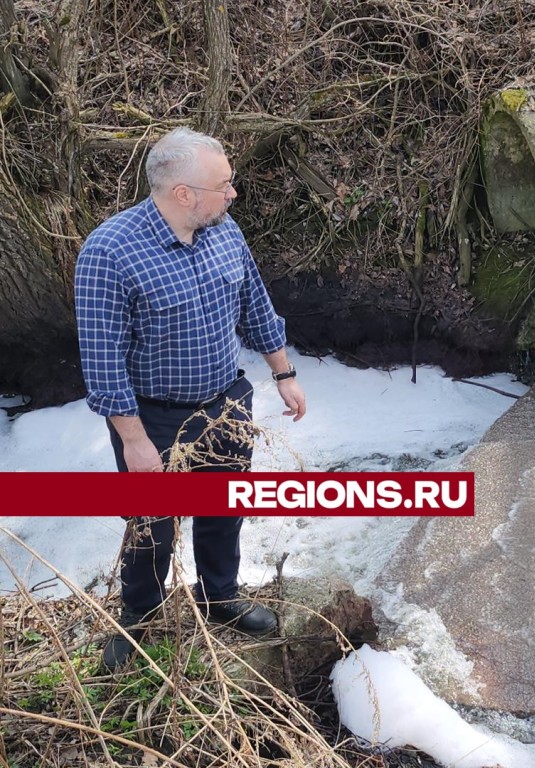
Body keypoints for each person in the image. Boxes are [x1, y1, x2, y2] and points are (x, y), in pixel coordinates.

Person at [74, 127, 307, 671]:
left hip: (226, 400)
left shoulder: (224, 230)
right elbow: (102, 358)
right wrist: (133, 441)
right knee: (151, 523)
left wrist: (284, 372)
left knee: (224, 507)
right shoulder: (109, 252)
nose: (233, 194)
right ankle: (139, 617)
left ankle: (219, 596)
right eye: (223, 185)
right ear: (183, 193)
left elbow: (254, 300)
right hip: (153, 414)